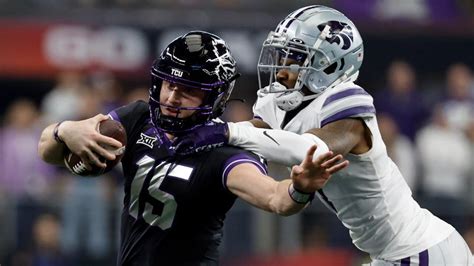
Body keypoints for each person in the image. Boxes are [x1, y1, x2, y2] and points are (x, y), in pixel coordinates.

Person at [172, 7, 473, 265]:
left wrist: (226, 130)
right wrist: (199, 130)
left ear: (329, 63)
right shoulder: (281, 102)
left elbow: (312, 148)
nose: (282, 65)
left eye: (294, 56)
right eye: (282, 53)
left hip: (419, 249)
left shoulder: (347, 101)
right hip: (392, 252)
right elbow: (256, 136)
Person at [37, 31, 348, 265]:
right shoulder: (136, 118)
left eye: (188, 91)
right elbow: (48, 152)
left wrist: (300, 188)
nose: (173, 97)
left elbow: (275, 198)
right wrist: (64, 131)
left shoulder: (225, 152)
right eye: (170, 85)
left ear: (213, 98)